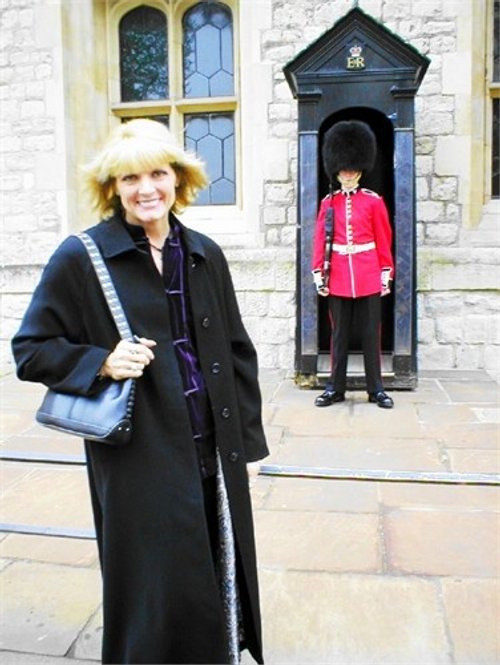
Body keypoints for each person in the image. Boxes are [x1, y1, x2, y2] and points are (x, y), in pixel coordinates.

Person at [12, 118, 269, 664]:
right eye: (130, 178)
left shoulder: (204, 252)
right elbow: (31, 348)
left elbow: (237, 353)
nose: (146, 189)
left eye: (157, 173)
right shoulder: (82, 256)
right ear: (112, 188)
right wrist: (99, 360)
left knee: (218, 573)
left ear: (179, 178)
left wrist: (247, 447)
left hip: (213, 444)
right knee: (153, 591)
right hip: (139, 457)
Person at [311, 120, 395, 409]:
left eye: (352, 169)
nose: (347, 174)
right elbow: (320, 240)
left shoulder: (373, 202)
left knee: (372, 334)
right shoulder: (328, 203)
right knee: (339, 335)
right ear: (337, 169)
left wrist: (385, 272)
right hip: (338, 277)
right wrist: (319, 273)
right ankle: (335, 388)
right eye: (344, 169)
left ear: (360, 170)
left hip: (368, 273)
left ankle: (376, 389)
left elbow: (383, 239)